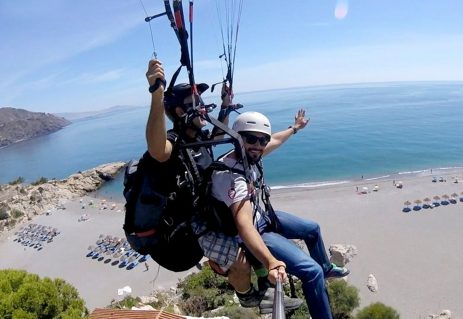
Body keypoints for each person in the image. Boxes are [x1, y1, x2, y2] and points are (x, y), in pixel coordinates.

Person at [145, 59, 299, 312]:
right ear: (181, 113)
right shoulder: (174, 143)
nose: (203, 109)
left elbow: (218, 134)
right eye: (196, 104)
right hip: (193, 226)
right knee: (241, 256)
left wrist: (225, 106)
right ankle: (249, 296)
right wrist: (156, 93)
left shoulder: (197, 140)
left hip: (211, 212)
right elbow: (157, 148)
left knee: (252, 234)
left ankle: (265, 288)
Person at [211, 111, 350, 319]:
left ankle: (326, 267)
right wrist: (270, 262)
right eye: (252, 139)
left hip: (262, 217)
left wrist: (294, 128)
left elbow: (275, 139)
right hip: (254, 232)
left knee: (312, 229)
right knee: (312, 273)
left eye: (262, 140)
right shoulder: (231, 177)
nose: (259, 145)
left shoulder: (249, 154)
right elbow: (244, 226)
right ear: (237, 138)